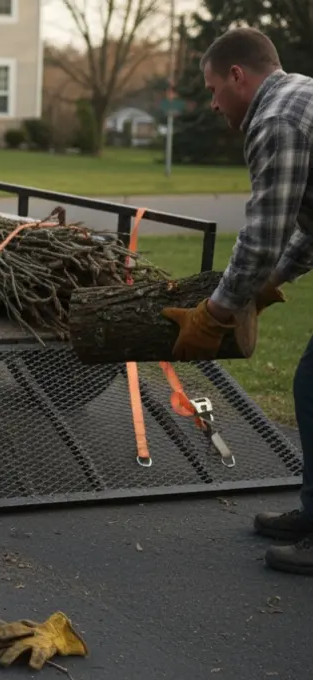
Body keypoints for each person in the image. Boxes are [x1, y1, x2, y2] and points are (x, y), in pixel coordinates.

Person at [163, 27, 313, 574]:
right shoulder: (301, 95)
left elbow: (262, 233)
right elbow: (304, 227)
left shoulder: (276, 120)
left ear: (237, 76)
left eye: (212, 89)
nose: (211, 102)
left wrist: (216, 312)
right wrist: (274, 279)